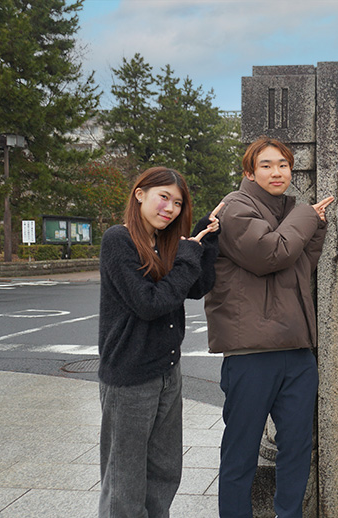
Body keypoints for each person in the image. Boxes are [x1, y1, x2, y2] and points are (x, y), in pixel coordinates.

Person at [204, 136, 334, 518]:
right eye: (266, 165)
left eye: (283, 164)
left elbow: (300, 268)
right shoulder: (234, 208)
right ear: (249, 171)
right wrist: (308, 217)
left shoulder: (291, 209)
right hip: (252, 353)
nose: (277, 172)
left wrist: (315, 228)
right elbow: (270, 254)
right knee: (241, 449)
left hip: (296, 349)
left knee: (297, 447)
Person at [98, 166, 221, 517]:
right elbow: (149, 303)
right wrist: (186, 259)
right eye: (163, 197)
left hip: (168, 371)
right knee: (125, 479)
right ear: (140, 194)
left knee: (165, 471)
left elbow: (196, 288)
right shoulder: (118, 240)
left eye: (178, 203)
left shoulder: (165, 242)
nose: (170, 208)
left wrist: (203, 241)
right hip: (130, 375)